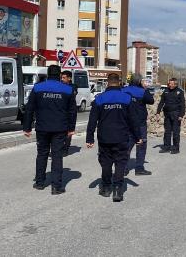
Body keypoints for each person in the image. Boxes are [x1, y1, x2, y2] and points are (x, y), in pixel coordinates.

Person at [86, 73, 140, 202]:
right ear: (119, 82)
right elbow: (133, 120)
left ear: (107, 83)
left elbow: (92, 121)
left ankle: (105, 188)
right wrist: (138, 136)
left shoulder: (99, 99)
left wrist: (89, 139)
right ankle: (117, 190)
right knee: (121, 163)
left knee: (106, 162)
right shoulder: (127, 98)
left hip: (105, 137)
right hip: (121, 136)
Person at [23, 65, 77, 195]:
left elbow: (29, 108)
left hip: (42, 127)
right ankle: (56, 187)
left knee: (42, 154)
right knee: (57, 156)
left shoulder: (37, 87)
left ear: (47, 74)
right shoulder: (68, 89)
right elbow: (72, 111)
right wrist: (71, 129)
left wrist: (27, 127)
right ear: (59, 75)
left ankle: (40, 182)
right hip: (60, 128)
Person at [122, 74, 155, 175]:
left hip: (126, 122)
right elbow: (151, 101)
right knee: (141, 144)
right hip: (140, 122)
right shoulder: (142, 91)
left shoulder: (123, 90)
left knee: (127, 144)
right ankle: (139, 168)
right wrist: (145, 88)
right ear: (140, 81)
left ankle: (123, 168)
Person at [157, 78, 186, 154]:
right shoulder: (166, 91)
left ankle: (176, 148)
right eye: (169, 83)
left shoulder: (180, 92)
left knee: (176, 132)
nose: (170, 85)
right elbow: (162, 101)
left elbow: (183, 104)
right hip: (167, 114)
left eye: (171, 84)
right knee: (167, 132)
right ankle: (166, 147)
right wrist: (158, 111)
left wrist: (181, 115)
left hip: (176, 114)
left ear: (175, 84)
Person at [60, 70, 78, 157]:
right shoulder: (59, 86)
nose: (62, 79)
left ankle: (65, 149)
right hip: (61, 112)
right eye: (61, 77)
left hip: (70, 112)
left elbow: (73, 94)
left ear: (69, 78)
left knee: (68, 132)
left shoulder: (73, 87)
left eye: (64, 78)